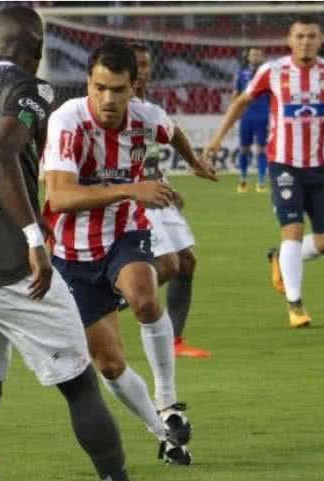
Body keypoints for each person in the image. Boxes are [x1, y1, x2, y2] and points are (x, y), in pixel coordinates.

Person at [0, 9, 175, 481]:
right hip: (11, 268)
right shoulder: (29, 90)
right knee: (81, 387)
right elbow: (1, 153)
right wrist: (35, 239)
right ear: (36, 52)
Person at [42, 40, 217, 466]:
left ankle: (169, 400)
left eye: (118, 89)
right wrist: (130, 189)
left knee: (142, 295)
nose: (108, 99)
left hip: (125, 232)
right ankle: (164, 434)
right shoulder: (67, 121)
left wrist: (193, 161)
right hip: (72, 251)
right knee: (109, 364)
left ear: (132, 86)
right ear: (88, 82)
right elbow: (60, 198)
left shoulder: (146, 118)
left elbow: (171, 131)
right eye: (100, 87)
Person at [203, 16, 324, 328]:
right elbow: (242, 101)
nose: (305, 42)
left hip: (321, 165)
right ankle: (295, 304)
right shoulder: (272, 71)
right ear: (290, 40)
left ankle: (280, 259)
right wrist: (218, 138)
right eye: (299, 36)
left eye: (311, 36)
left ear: (320, 40)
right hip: (284, 164)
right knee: (293, 230)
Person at [130, 42, 211, 359]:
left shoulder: (148, 107)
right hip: (132, 193)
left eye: (146, 65)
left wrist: (164, 181)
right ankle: (100, 304)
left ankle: (175, 342)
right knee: (167, 264)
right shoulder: (113, 103)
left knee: (186, 262)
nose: (141, 72)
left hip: (153, 185)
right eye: (135, 65)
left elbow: (161, 140)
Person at [232, 47, 270, 193]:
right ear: (248, 57)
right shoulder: (241, 75)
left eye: (258, 54)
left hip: (263, 116)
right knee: (244, 149)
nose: (255, 57)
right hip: (246, 116)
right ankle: (243, 180)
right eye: (253, 54)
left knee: (262, 149)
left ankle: (260, 182)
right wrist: (234, 112)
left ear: (262, 58)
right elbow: (235, 95)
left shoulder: (267, 75)